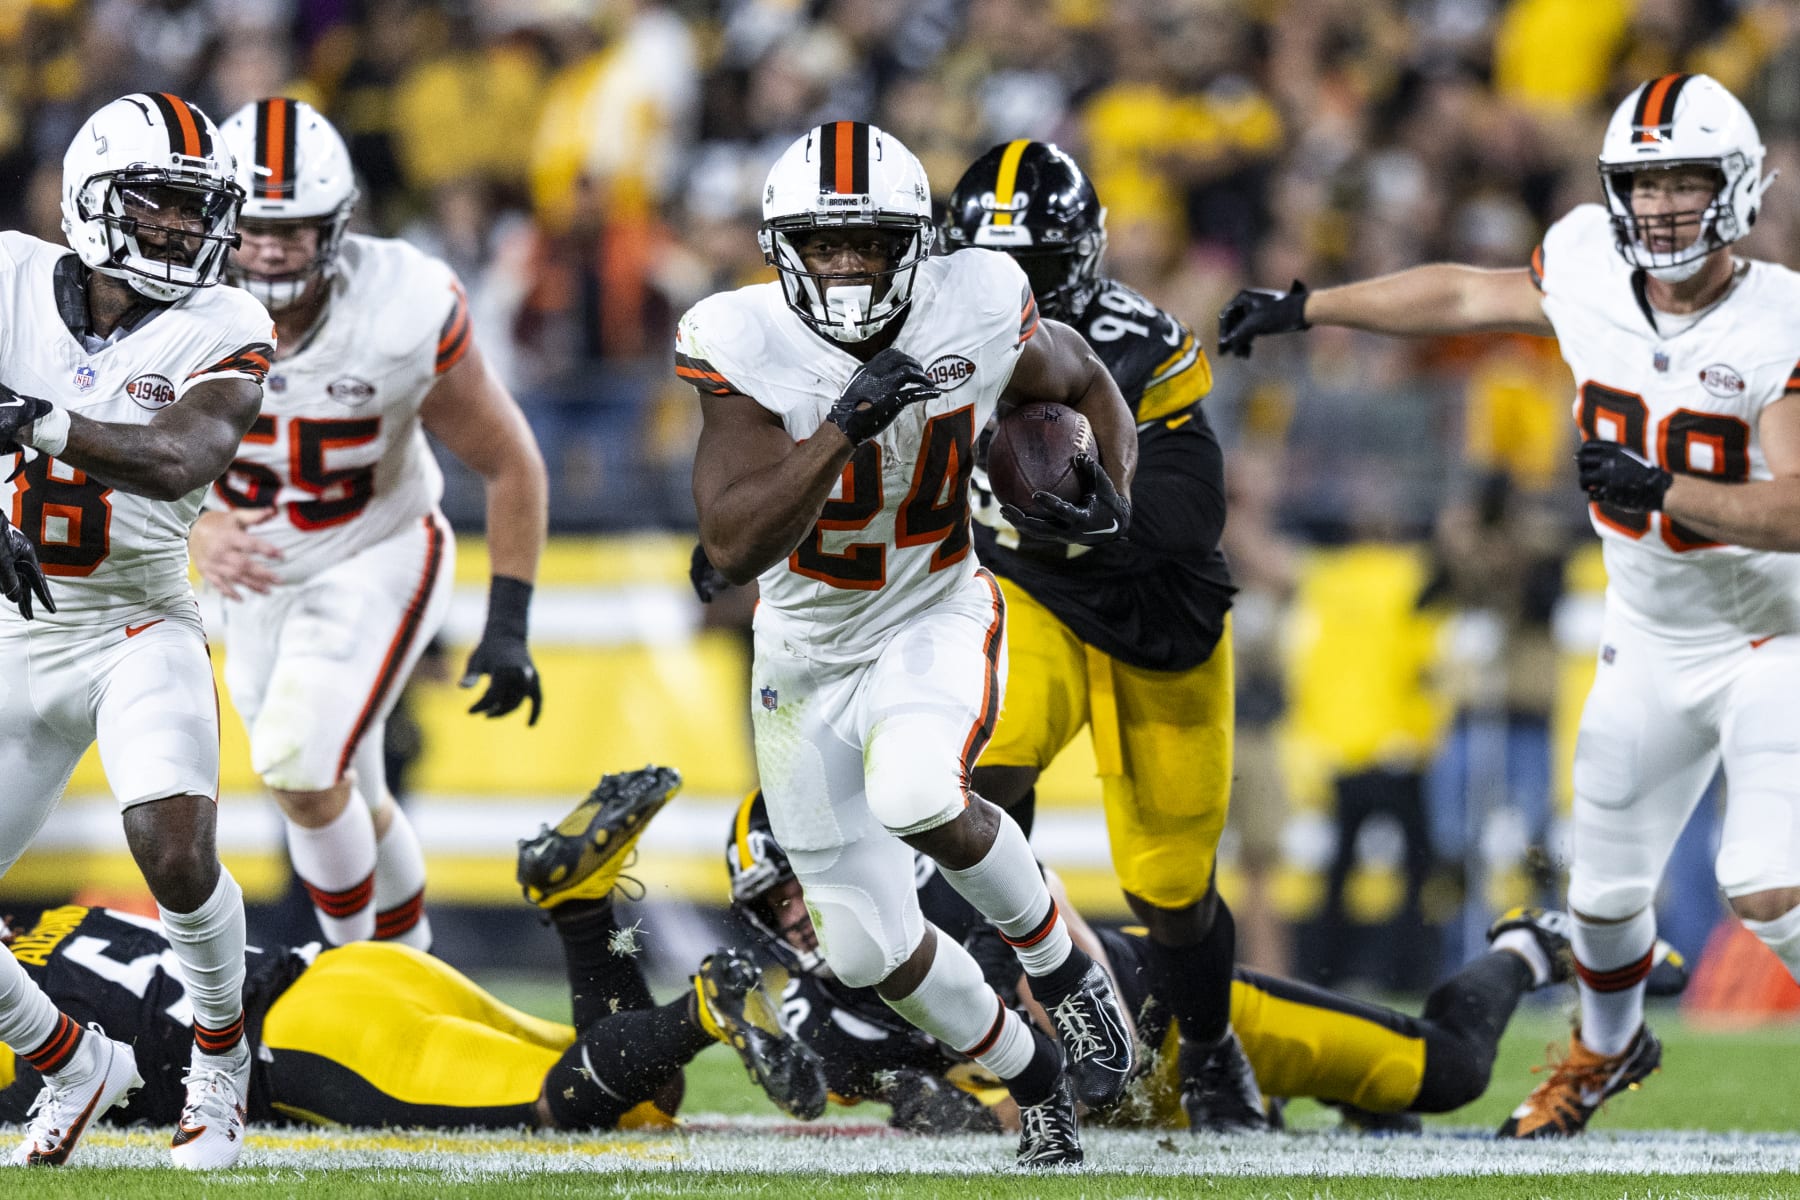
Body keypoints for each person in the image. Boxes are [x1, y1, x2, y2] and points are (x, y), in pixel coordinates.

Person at [1219, 72, 1800, 1137]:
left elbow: (1798, 507)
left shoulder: (1780, 321)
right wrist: (1312, 306)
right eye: (1645, 184)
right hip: (1650, 635)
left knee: (1766, 885)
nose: (1663, 206)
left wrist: (1665, 490)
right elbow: (1463, 295)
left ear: (1737, 186)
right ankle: (1606, 1052)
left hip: (1775, 638)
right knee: (1602, 901)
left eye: (1685, 181)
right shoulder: (1585, 263)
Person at [683, 121, 1140, 1168]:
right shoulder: (739, 337)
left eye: (871, 242)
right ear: (783, 248)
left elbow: (1084, 380)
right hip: (803, 654)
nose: (848, 264)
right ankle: (1033, 1074)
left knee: (919, 793)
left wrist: (1112, 495)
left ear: (918, 244)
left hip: (933, 609)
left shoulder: (975, 299)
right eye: (825, 243)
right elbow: (734, 542)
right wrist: (845, 425)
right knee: (863, 946)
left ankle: (1066, 972)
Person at [723, 788, 1690, 1134]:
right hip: (1135, 1116)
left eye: (802, 885)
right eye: (775, 902)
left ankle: (1529, 946)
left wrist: (983, 1113)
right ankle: (1347, 1106)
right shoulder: (824, 1010)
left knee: (1450, 1073)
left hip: (1184, 1032)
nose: (797, 917)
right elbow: (897, 1113)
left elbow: (1083, 1030)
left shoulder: (955, 888)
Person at [940, 140, 1260, 1132]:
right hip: (1032, 594)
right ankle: (1001, 997)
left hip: (1153, 614)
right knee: (975, 774)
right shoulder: (930, 330)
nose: (1014, 288)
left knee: (1171, 886)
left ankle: (1211, 1052)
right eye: (995, 265)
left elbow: (1194, 510)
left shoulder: (1137, 341)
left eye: (1035, 266)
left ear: (1081, 258)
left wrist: (1096, 505)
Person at [189, 98, 549, 949]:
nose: (269, 247)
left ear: (337, 224)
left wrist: (507, 623)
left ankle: (350, 968)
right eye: (252, 225)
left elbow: (510, 462)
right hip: (257, 575)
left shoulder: (401, 304)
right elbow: (120, 448)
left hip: (376, 548)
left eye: (294, 227)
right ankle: (408, 962)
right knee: (350, 790)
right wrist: (199, 525)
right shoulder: (173, 307)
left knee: (301, 769)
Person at [0, 768, 829, 1137]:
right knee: (644, 1091)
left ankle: (702, 1007)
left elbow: (42, 1095)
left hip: (311, 1042)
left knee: (573, 1106)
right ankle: (582, 909)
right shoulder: (61, 920)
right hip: (350, 968)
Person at [0, 92, 274, 1168]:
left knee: (173, 845)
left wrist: (40, 420)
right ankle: (69, 1058)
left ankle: (221, 1053)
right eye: (154, 200)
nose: (176, 226)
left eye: (192, 207)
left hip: (134, 620)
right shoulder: (8, 275)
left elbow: (179, 456)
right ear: (89, 195)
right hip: (14, 624)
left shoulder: (229, 322)